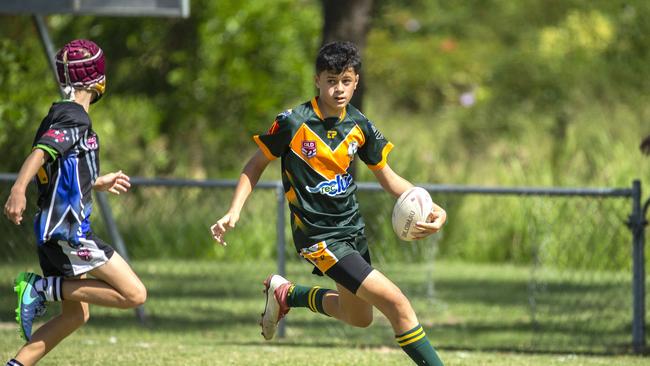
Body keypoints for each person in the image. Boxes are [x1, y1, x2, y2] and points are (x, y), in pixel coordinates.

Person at [211, 41, 446, 365]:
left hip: (351, 230)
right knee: (397, 304)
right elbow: (254, 165)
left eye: (345, 81)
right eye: (331, 80)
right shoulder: (293, 122)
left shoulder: (359, 125)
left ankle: (287, 294)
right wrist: (233, 211)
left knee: (359, 317)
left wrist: (434, 208)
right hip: (318, 235)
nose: (338, 89)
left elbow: (391, 180)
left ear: (356, 82)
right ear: (317, 80)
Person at [3, 39, 146, 366]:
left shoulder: (58, 113)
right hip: (68, 231)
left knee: (76, 316)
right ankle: (40, 289)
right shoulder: (75, 118)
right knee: (135, 294)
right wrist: (18, 189)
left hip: (52, 229)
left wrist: (96, 181)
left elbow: (57, 170)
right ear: (98, 80)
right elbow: (40, 154)